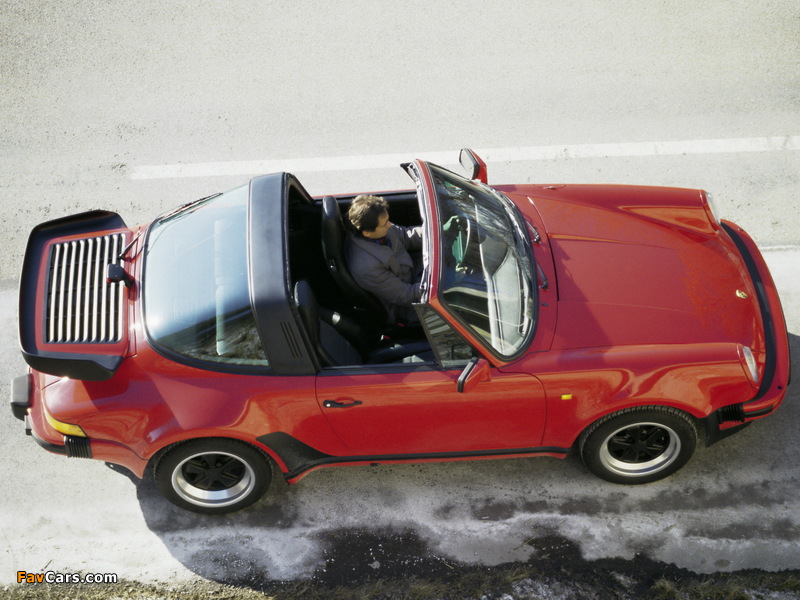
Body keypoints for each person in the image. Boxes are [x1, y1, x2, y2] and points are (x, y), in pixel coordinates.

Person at [345, 194, 423, 324]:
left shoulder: (378, 229)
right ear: (367, 233)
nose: (390, 225)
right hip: (406, 306)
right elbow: (406, 295)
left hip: (413, 274)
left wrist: (438, 232)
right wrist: (440, 285)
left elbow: (406, 236)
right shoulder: (366, 267)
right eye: (385, 224)